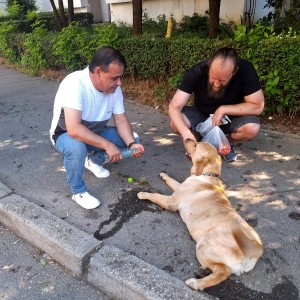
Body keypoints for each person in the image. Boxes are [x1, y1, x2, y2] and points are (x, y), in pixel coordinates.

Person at [50, 46, 144, 209]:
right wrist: (108, 145)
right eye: (115, 78)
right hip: (65, 136)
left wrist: (131, 145)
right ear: (99, 71)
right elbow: (74, 129)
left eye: (120, 78)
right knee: (76, 147)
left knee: (134, 138)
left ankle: (93, 160)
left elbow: (121, 119)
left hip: (95, 134)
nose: (119, 83)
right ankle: (78, 191)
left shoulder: (115, 89)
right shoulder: (74, 84)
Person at [169, 47, 265, 162]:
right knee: (175, 123)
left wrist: (223, 109)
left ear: (234, 72)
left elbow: (258, 106)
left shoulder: (246, 70)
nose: (216, 84)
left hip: (230, 117)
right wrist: (186, 135)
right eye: (213, 78)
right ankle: (199, 139)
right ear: (209, 65)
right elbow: (174, 106)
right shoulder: (197, 71)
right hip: (201, 114)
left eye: (222, 80)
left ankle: (225, 143)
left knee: (252, 128)